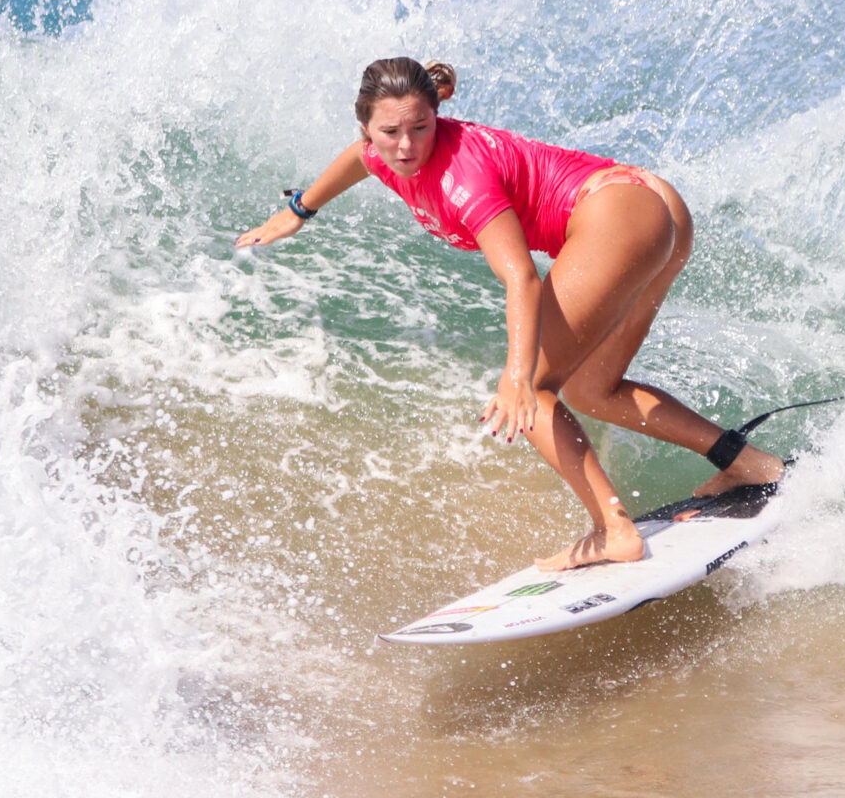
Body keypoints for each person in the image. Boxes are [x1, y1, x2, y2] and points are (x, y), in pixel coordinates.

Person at [234, 56, 787, 569]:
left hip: (620, 218)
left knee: (537, 393)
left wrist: (518, 377)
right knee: (594, 390)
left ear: (436, 116)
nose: (407, 146)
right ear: (367, 129)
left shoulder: (460, 176)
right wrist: (299, 211)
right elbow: (358, 161)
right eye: (391, 132)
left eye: (421, 128)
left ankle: (613, 530)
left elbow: (521, 276)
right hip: (647, 203)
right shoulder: (379, 152)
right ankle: (748, 463)